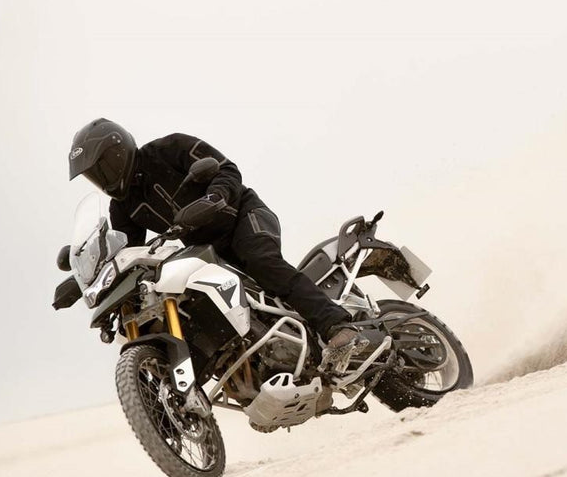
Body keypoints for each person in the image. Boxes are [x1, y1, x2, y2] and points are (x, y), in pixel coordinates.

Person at [67, 118, 361, 365]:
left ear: (118, 152)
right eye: (94, 176)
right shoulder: (123, 207)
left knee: (261, 260)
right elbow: (127, 252)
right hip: (207, 250)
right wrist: (84, 281)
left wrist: (215, 198)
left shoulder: (169, 148)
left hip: (244, 216)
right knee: (201, 304)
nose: (101, 179)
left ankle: (338, 325)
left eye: (101, 168)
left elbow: (226, 169)